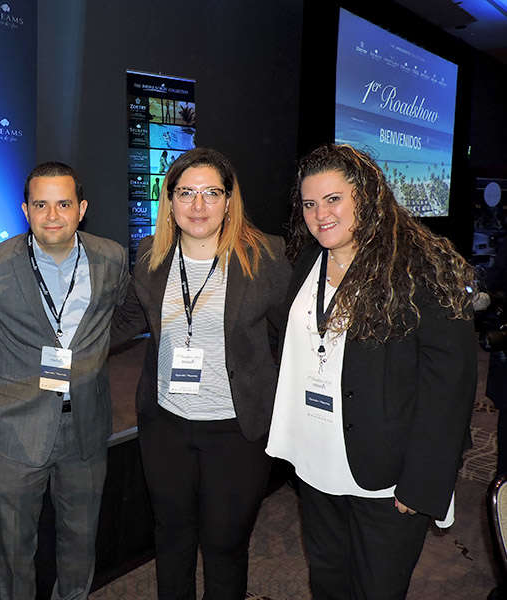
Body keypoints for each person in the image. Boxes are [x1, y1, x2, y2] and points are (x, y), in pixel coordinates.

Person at [266, 144, 476, 599]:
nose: (320, 214)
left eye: (334, 199)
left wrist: (421, 486)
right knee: (328, 581)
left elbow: (449, 391)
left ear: (367, 196)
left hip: (387, 479)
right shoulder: (308, 260)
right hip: (317, 464)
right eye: (309, 203)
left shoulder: (420, 268)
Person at [111, 147, 291, 599]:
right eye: (186, 193)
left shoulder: (264, 256)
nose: (198, 206)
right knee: (171, 538)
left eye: (211, 193)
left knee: (225, 544)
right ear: (168, 199)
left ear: (230, 200)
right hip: (165, 424)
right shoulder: (151, 252)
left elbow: (293, 334)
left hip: (236, 431)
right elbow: (129, 319)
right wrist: (64, 343)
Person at [0, 161, 129, 600]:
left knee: (80, 540)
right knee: (15, 546)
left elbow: (122, 314)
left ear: (82, 208)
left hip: (87, 424)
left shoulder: (111, 257)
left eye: (63, 204)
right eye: (41, 204)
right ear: (25, 209)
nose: (53, 215)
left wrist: (94, 356)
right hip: (18, 428)